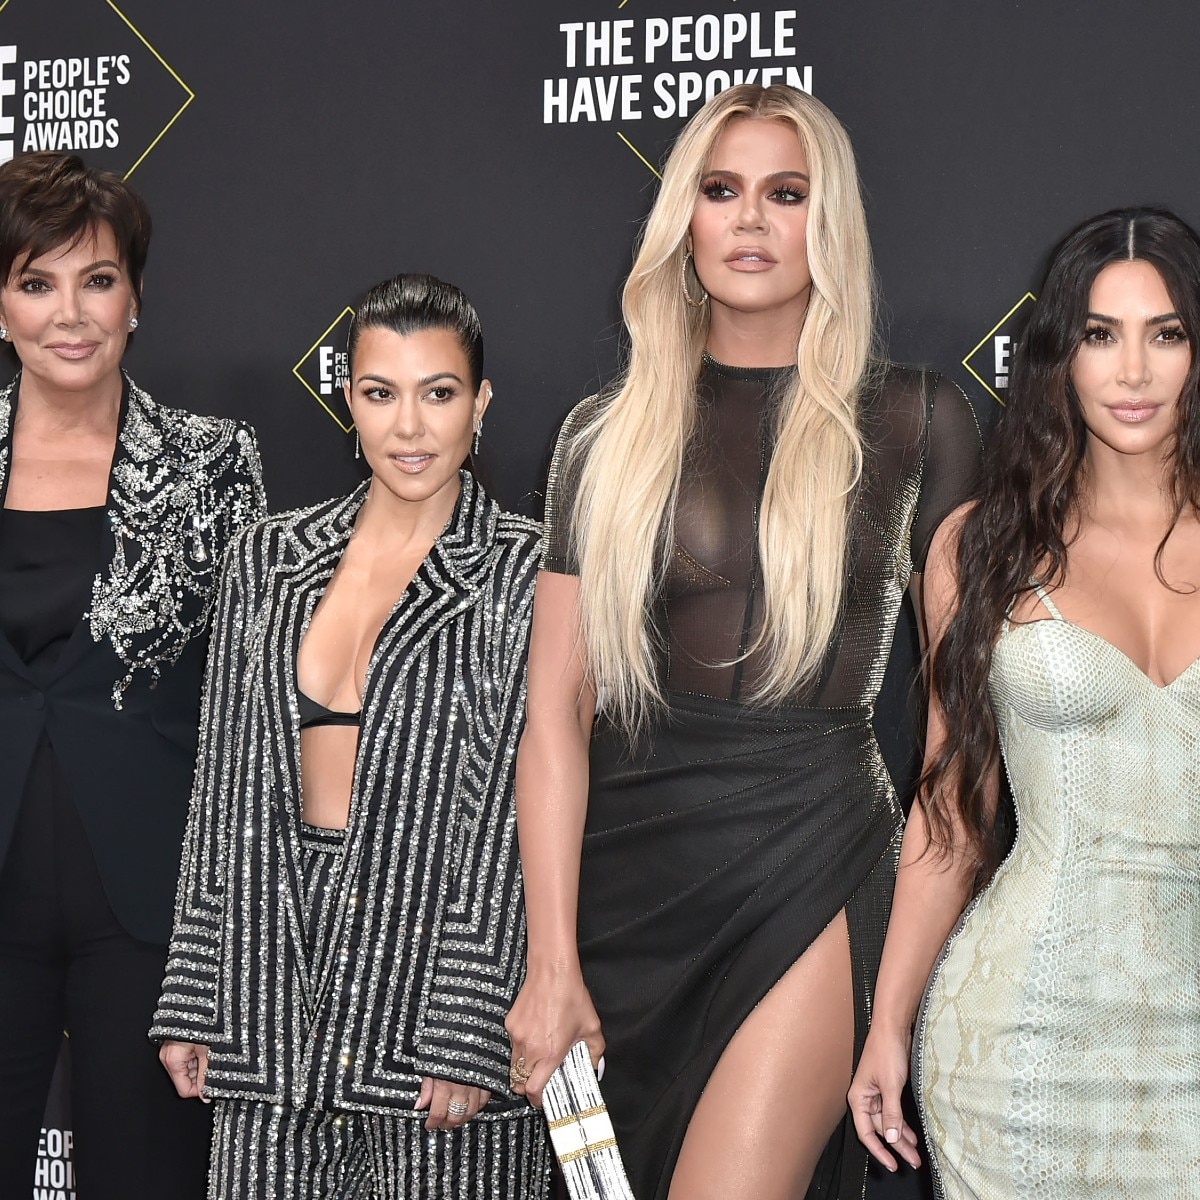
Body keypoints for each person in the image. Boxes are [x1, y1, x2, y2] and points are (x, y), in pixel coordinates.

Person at [505, 83, 980, 1200]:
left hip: (809, 863)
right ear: (685, 217)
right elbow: (556, 719)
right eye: (722, 191)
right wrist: (552, 962)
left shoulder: (920, 420)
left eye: (787, 193)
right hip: (628, 884)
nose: (752, 220)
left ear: (831, 219)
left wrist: (896, 1010)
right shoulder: (601, 437)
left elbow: (959, 748)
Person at [152, 273, 550, 1199]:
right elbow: (223, 783)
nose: (409, 427)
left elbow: (514, 811)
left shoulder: (526, 568)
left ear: (481, 402)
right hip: (268, 976)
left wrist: (469, 1019)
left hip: (434, 985)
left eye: (438, 393)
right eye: (380, 393)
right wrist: (196, 986)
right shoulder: (266, 558)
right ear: (349, 403)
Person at [849, 207, 1200, 1196]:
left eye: (1167, 334)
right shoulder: (981, 549)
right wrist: (887, 1023)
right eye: (1100, 335)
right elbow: (949, 810)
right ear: (1059, 358)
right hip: (1020, 1042)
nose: (1133, 371)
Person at [0, 152, 266, 1198]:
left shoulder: (213, 463)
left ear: (136, 298)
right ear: (2, 307)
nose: (70, 314)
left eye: (97, 279)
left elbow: (246, 716)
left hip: (149, 917)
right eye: (37, 282)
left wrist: (217, 955)